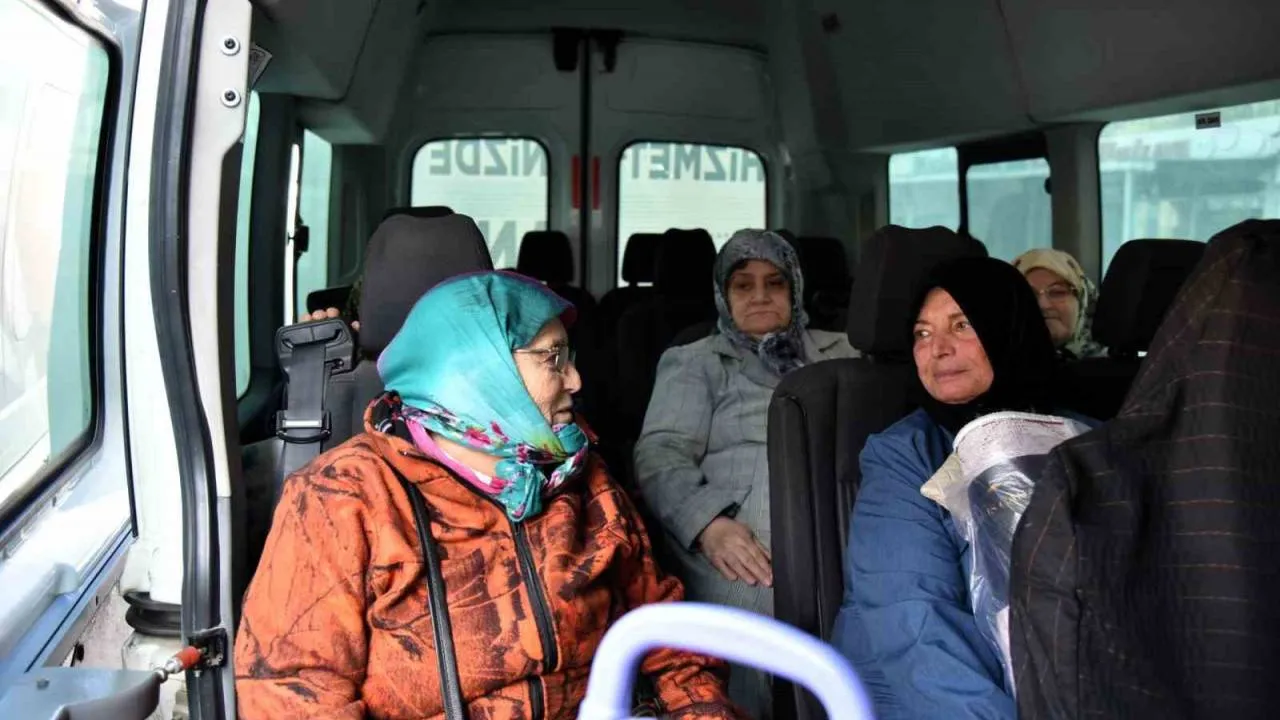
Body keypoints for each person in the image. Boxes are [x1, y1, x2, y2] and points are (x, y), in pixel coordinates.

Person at [235, 271, 740, 720]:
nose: (576, 379)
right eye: (553, 358)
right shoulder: (342, 494)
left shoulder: (583, 474)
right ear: (478, 369)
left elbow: (665, 635)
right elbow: (292, 690)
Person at [830, 256, 1065, 720]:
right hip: (925, 697)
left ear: (1006, 329)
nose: (937, 348)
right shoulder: (904, 456)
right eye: (922, 333)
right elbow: (915, 623)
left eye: (961, 325)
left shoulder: (1080, 438)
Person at [634, 229, 858, 718]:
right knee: (750, 618)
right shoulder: (695, 360)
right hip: (737, 534)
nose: (760, 296)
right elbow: (661, 454)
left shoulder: (844, 351)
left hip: (839, 521)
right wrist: (708, 525)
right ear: (723, 293)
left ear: (795, 290)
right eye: (743, 284)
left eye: (775, 283)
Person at [1012, 248, 1106, 359]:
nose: (1043, 305)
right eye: (1029, 294)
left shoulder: (1109, 367)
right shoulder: (996, 365)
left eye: (1057, 292)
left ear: (1082, 302)